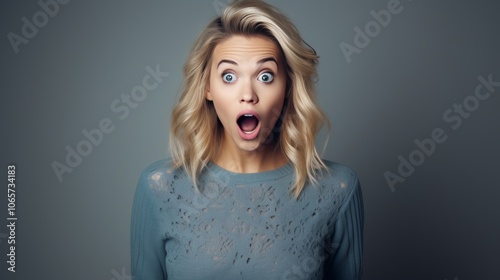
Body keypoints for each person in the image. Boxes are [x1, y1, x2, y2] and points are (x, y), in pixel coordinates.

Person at [131, 1, 364, 279]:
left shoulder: (337, 189)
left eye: (265, 76)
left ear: (288, 87)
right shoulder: (160, 189)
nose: (248, 94)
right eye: (229, 76)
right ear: (207, 88)